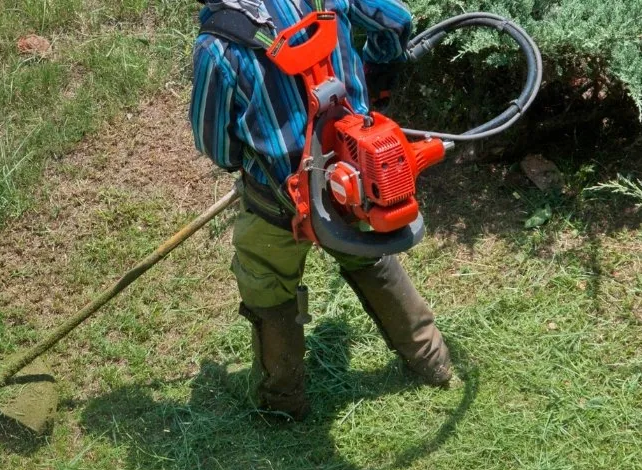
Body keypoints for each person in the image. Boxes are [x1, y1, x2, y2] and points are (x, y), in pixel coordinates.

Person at [190, 0, 453, 422]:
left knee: (267, 285)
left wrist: (248, 159)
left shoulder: (217, 45)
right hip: (354, 172)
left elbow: (215, 144)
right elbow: (396, 22)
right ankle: (432, 360)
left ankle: (283, 402)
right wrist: (376, 72)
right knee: (369, 254)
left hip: (277, 198)